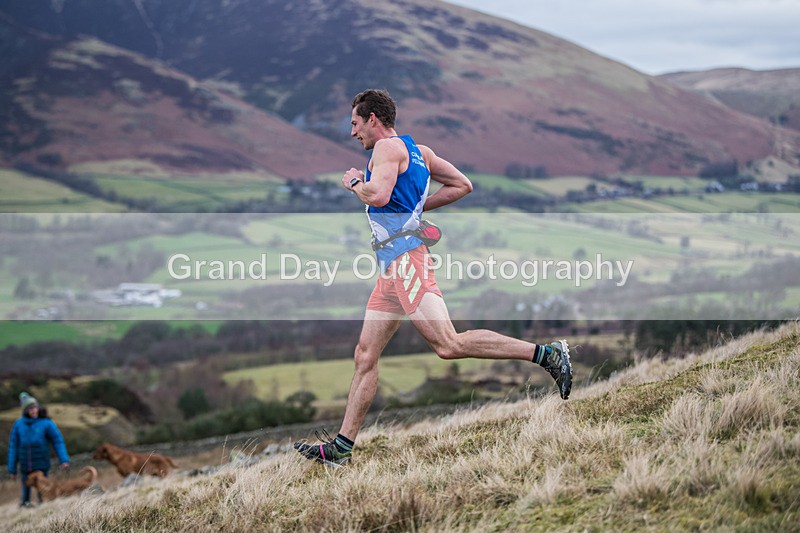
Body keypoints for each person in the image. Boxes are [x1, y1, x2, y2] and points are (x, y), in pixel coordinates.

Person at [294, 89, 572, 467]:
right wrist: (417, 206)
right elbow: (462, 185)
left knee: (448, 344)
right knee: (365, 355)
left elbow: (376, 196)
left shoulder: (386, 150)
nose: (353, 132)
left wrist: (354, 182)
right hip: (391, 268)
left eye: (356, 123)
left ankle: (547, 355)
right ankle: (342, 447)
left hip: (407, 261)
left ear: (373, 119)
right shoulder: (420, 152)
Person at [7, 392, 70, 507]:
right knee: (25, 492)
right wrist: (12, 469)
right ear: (25, 411)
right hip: (25, 465)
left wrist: (64, 460)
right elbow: (13, 447)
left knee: (43, 491)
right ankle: (25, 509)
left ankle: (43, 509)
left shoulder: (46, 423)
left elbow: (58, 441)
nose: (34, 410)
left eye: (35, 407)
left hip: (42, 464)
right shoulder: (18, 425)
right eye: (30, 408)